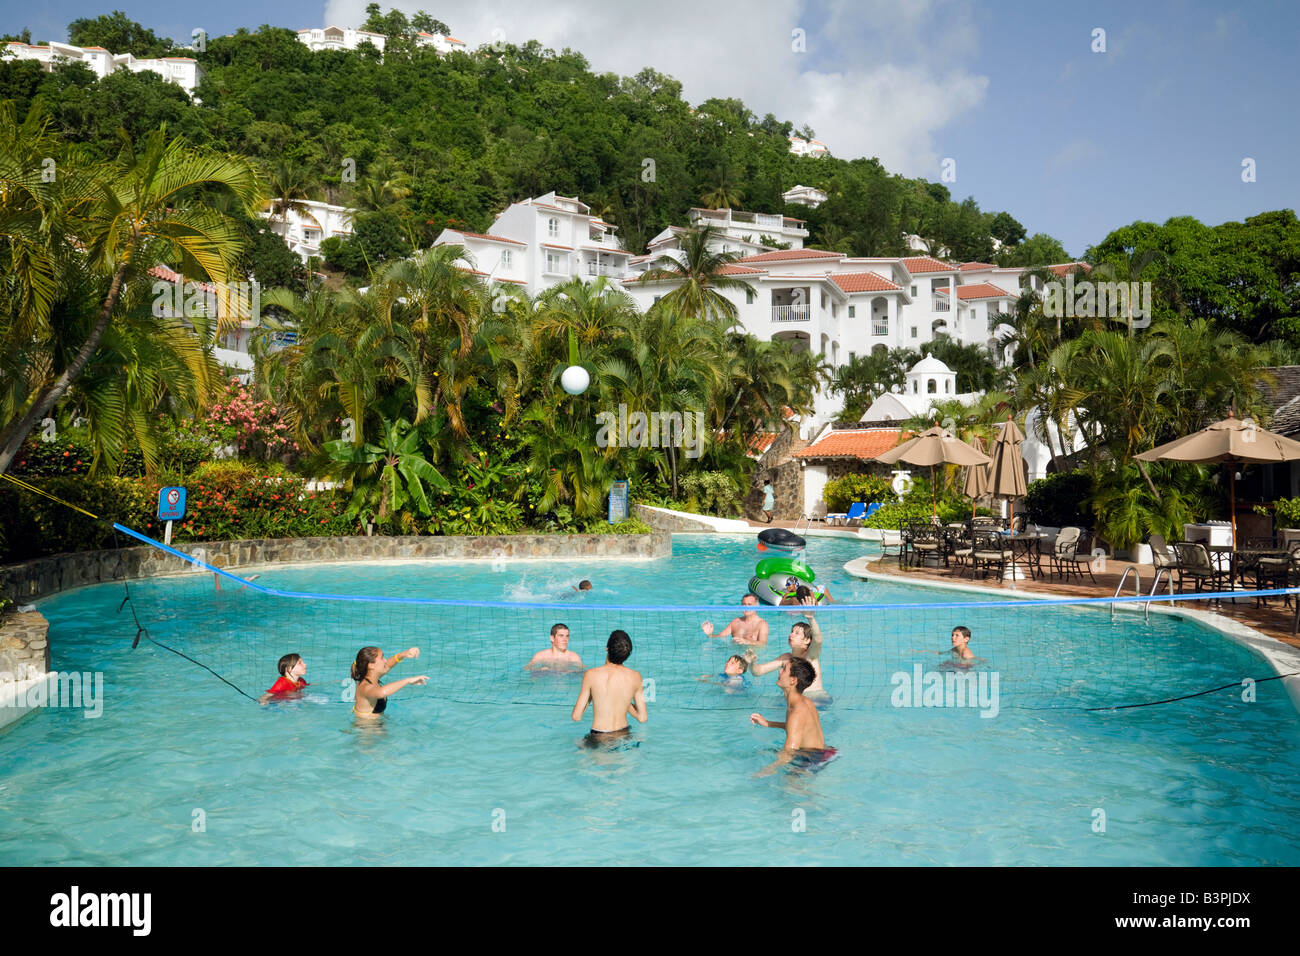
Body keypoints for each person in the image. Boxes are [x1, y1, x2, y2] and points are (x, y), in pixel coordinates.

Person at [749, 658, 836, 774]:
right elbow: (797, 728)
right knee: (765, 752)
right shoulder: (804, 702)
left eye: (784, 670)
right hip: (826, 751)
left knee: (787, 786)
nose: (779, 672)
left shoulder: (796, 711)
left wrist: (767, 770)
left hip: (812, 759)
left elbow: (789, 751)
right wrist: (768, 723)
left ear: (793, 680)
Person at [571, 630, 647, 746]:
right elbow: (642, 718)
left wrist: (593, 695)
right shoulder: (636, 676)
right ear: (627, 654)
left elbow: (576, 716)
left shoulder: (591, 675)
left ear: (607, 648)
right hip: (625, 735)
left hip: (599, 736)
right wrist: (624, 700)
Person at [744, 611, 826, 699]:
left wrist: (811, 618)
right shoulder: (786, 658)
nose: (791, 635)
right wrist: (751, 663)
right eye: (792, 631)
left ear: (807, 640)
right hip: (795, 699)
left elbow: (818, 640)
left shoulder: (811, 656)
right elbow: (759, 671)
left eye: (796, 633)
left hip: (816, 699)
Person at [351, 646, 427, 717]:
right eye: (382, 658)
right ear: (371, 665)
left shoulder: (372, 677)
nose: (385, 660)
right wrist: (408, 680)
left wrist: (403, 654)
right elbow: (382, 692)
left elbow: (388, 666)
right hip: (365, 728)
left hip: (375, 725)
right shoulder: (365, 687)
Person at [701, 594, 770, 646]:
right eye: (744, 604)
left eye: (749, 604)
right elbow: (719, 637)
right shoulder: (736, 622)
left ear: (756, 606)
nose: (746, 607)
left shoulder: (762, 624)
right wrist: (709, 634)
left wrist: (748, 642)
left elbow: (763, 644)